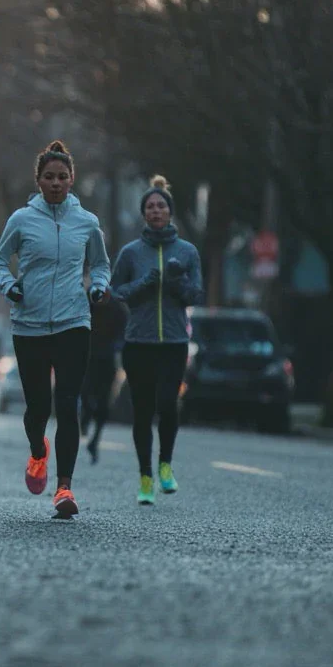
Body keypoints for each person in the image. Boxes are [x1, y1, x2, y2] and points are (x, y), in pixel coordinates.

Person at [0, 140, 111, 519]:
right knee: (38, 407)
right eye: (49, 177)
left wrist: (98, 286)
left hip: (74, 322)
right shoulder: (21, 220)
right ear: (38, 180)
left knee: (68, 404)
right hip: (29, 325)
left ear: (72, 180)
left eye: (62, 177)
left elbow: (101, 265)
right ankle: (38, 451)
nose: (56, 183)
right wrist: (11, 287)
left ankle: (64, 488)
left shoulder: (87, 222)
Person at [110, 175, 204, 505]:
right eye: (150, 207)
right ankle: (145, 476)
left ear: (170, 211)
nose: (155, 211)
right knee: (143, 411)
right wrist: (147, 283)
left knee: (167, 405)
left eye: (161, 205)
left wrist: (175, 282)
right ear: (143, 214)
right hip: (139, 342)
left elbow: (195, 295)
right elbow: (116, 291)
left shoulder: (188, 252)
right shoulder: (131, 253)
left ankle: (165, 465)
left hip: (175, 342)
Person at [81, 296, 128, 464]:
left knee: (103, 402)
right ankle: (86, 416)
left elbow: (124, 332)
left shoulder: (117, 307)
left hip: (106, 358)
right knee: (85, 392)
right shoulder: (88, 300)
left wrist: (118, 347)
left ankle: (95, 439)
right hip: (89, 355)